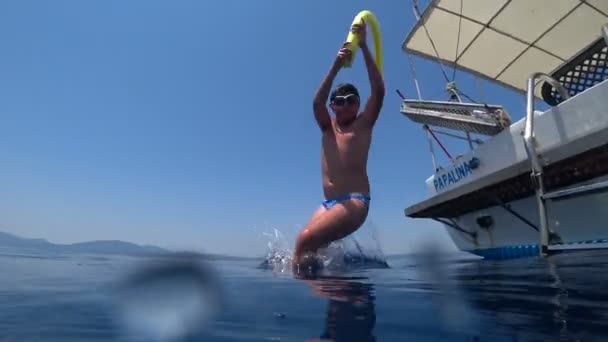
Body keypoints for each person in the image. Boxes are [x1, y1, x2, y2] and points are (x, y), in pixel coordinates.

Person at [293, 19, 385, 269]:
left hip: (355, 201)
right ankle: (330, 290)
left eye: (351, 100)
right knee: (309, 247)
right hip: (329, 204)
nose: (345, 104)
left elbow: (378, 91)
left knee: (304, 240)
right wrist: (336, 64)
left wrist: (364, 47)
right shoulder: (327, 126)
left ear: (358, 104)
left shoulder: (363, 124)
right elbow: (316, 103)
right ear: (332, 106)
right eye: (339, 100)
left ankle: (310, 292)